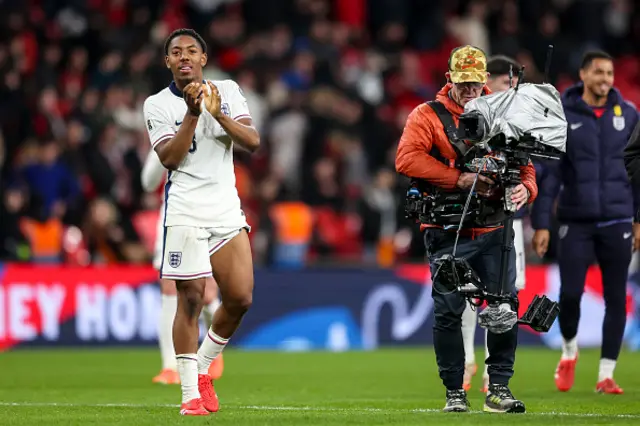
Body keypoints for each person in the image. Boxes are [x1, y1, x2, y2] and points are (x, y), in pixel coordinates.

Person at [396, 45, 537, 413]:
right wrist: (457, 178)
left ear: (485, 80)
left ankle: (499, 389)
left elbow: (525, 164)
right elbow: (406, 158)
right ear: (450, 79)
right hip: (446, 228)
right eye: (464, 83)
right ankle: (454, 390)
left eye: (476, 82)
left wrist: (527, 188)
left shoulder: (505, 112)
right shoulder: (426, 116)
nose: (471, 89)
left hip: (494, 227)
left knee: (504, 307)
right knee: (448, 311)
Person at [143, 28, 259, 416]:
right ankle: (190, 394)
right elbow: (170, 159)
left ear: (204, 59)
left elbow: (252, 141)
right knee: (189, 299)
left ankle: (205, 366)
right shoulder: (156, 104)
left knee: (241, 297)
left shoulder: (226, 89)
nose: (184, 57)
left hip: (225, 207)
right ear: (168, 62)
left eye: (192, 50)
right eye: (176, 52)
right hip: (185, 210)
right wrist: (192, 115)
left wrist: (217, 113)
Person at [532, 50, 640, 395]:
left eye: (610, 73)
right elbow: (549, 174)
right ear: (583, 75)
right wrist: (542, 224)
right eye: (599, 73)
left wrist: (639, 220)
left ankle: (606, 374)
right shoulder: (562, 115)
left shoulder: (631, 115)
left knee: (615, 297)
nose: (606, 79)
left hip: (618, 218)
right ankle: (568, 351)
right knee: (571, 294)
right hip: (575, 220)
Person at [460, 55, 525, 394]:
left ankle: (490, 371)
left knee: (502, 297)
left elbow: (527, 167)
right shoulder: (468, 117)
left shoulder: (514, 118)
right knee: (466, 294)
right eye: (505, 84)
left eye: (514, 85)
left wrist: (526, 187)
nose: (510, 90)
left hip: (503, 220)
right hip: (465, 220)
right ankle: (468, 360)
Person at [140, 150, 224, 385]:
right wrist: (165, 151)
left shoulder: (212, 130)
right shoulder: (168, 131)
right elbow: (148, 181)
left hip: (209, 213)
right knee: (169, 286)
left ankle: (212, 351)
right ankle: (170, 367)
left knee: (206, 293)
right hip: (174, 214)